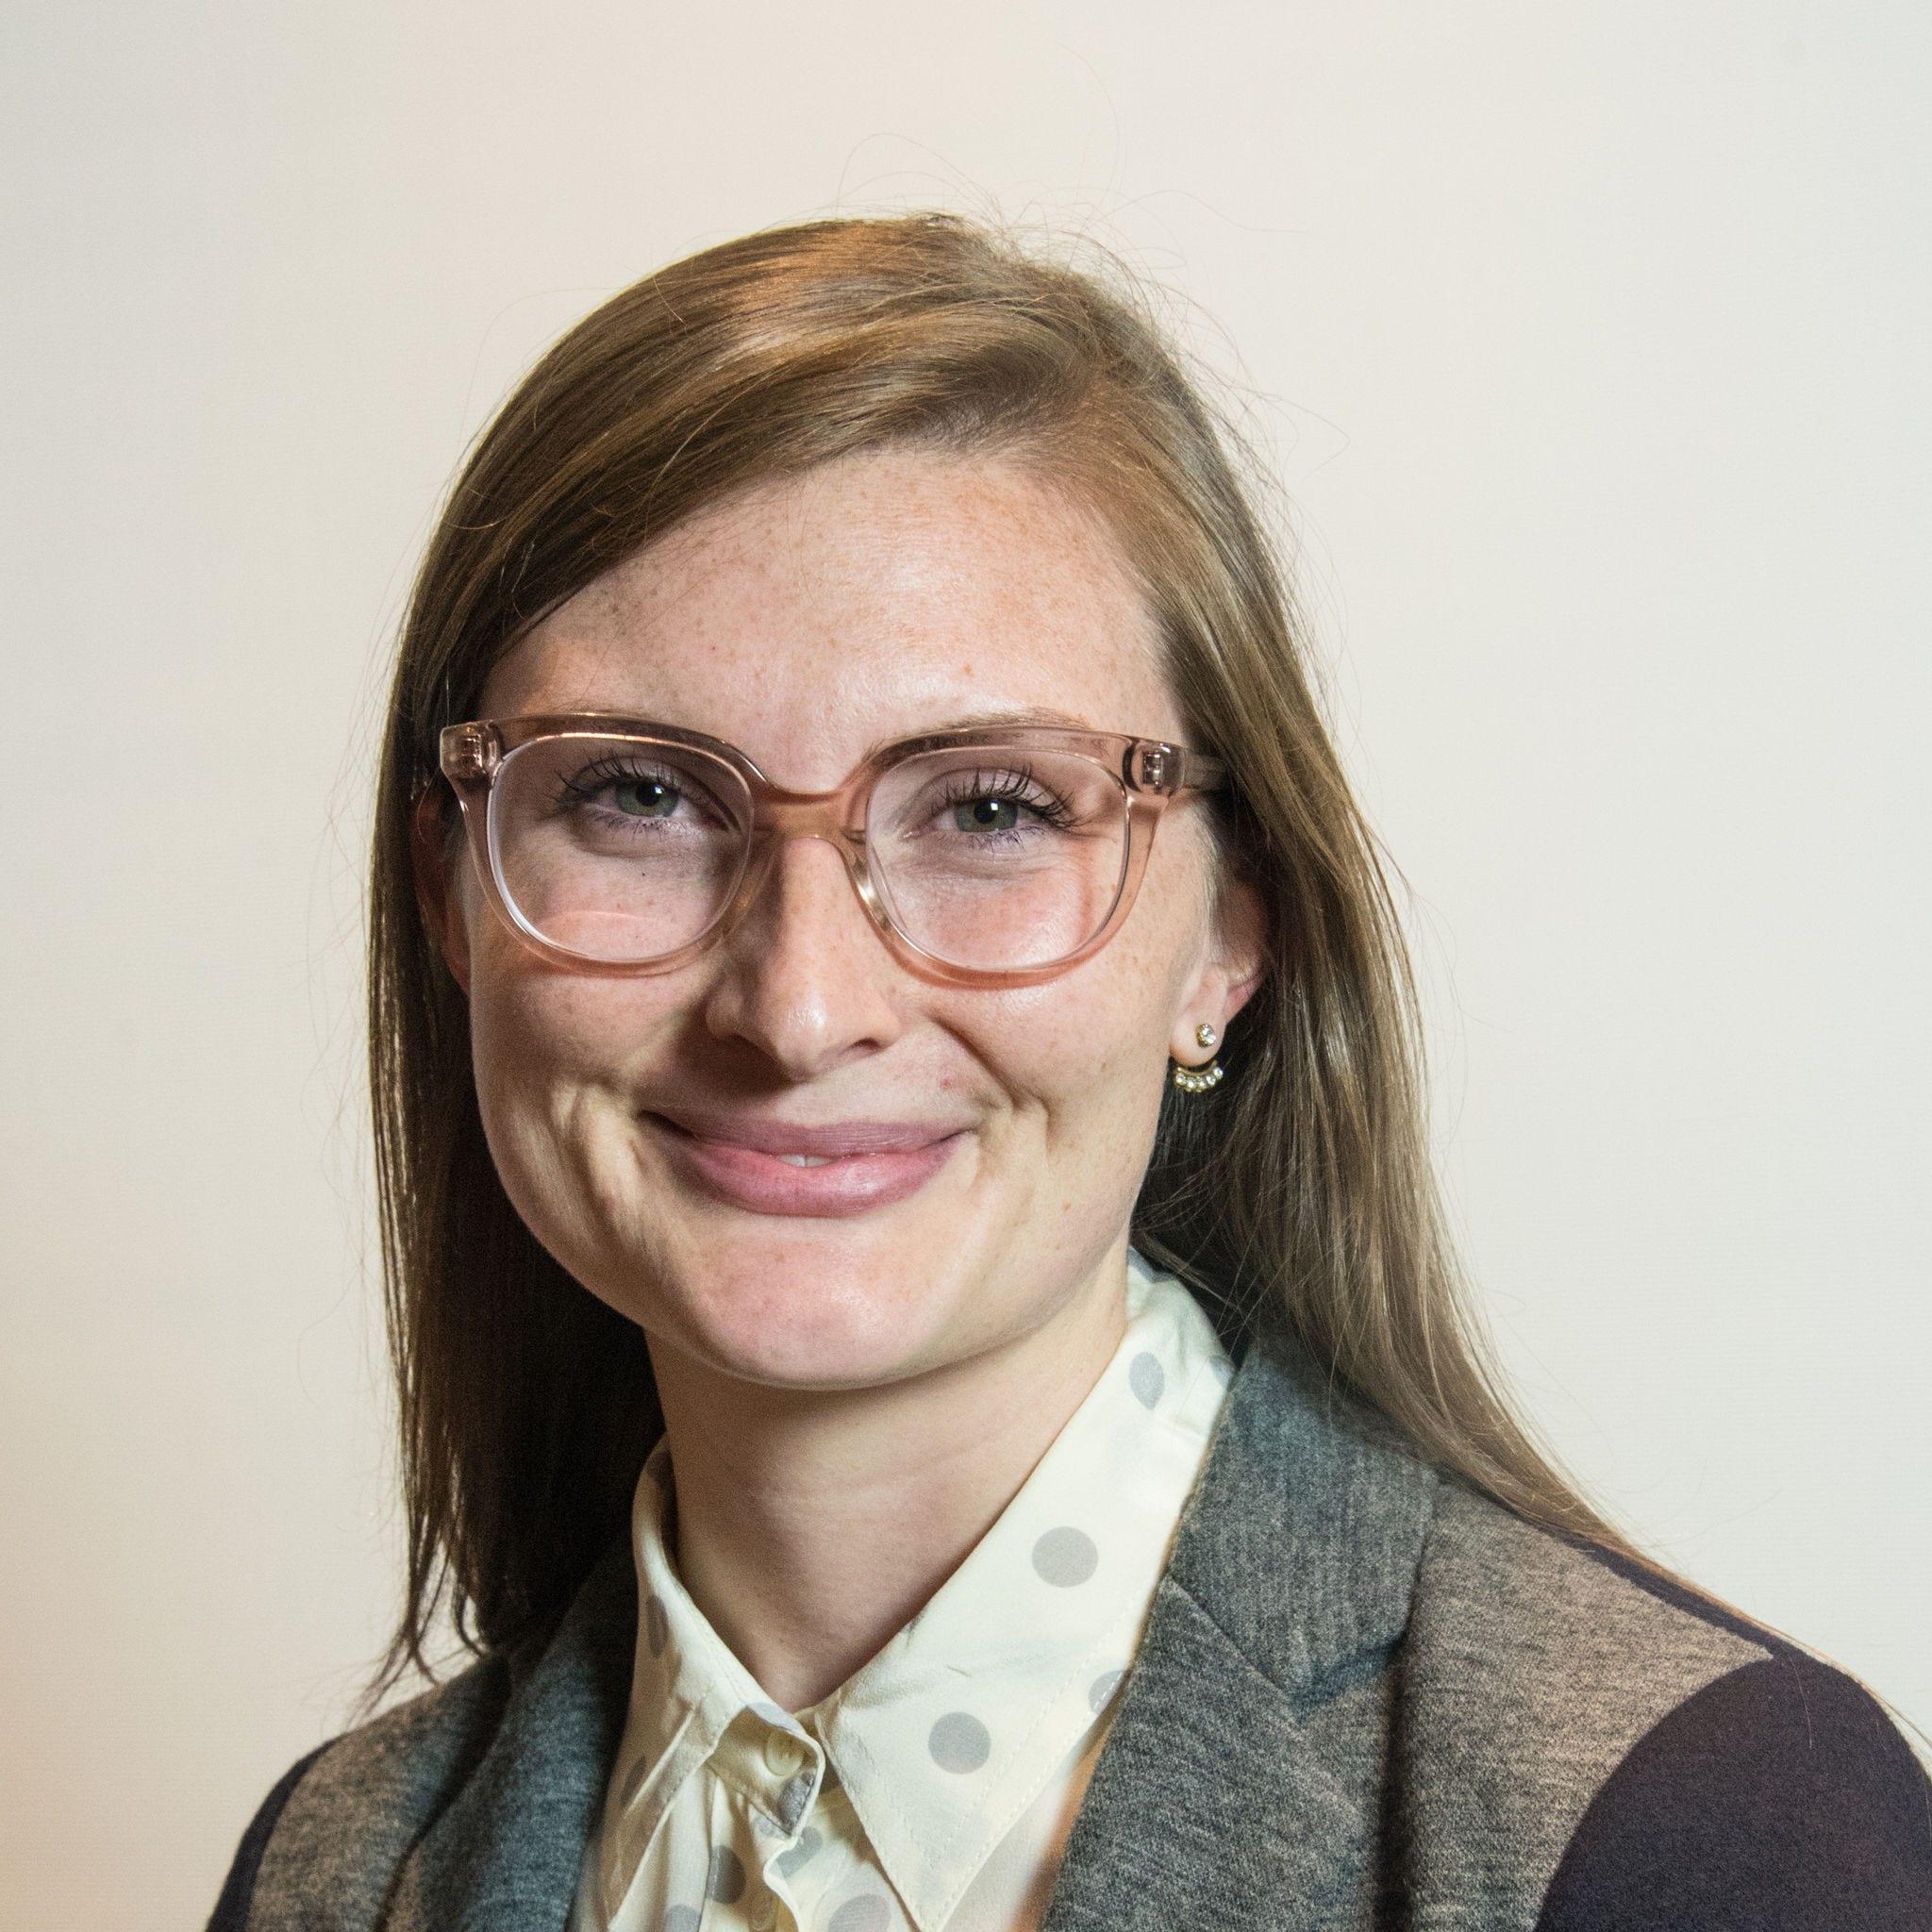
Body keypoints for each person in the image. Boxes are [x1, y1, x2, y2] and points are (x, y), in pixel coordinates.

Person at [208, 215, 1928, 1932]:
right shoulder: (338, 1870)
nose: (800, 1008)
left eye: (991, 808)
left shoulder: (1711, 1842)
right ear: (451, 889)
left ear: (1231, 935)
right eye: (641, 797)